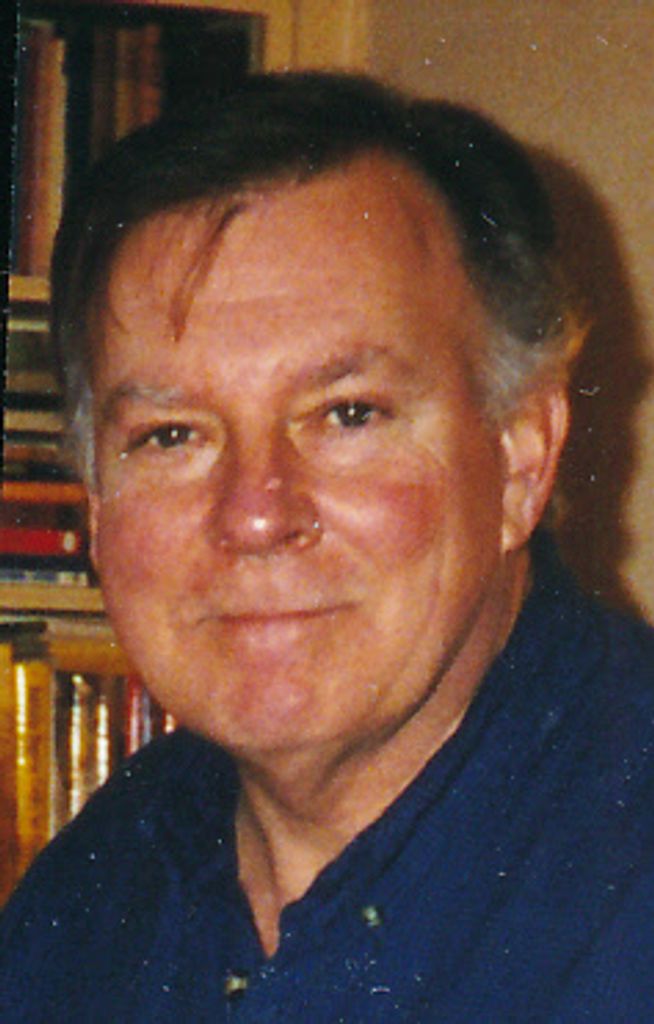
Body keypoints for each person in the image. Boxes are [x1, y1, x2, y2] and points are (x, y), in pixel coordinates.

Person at [2, 71, 654, 1022]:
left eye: (347, 414)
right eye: (172, 436)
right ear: (95, 507)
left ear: (521, 460)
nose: (255, 516)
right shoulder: (91, 897)